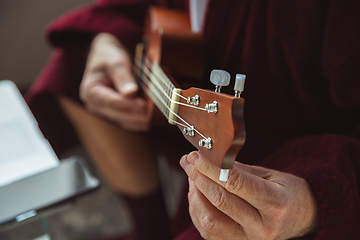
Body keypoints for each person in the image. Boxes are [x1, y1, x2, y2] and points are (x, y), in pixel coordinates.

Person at [26, 0, 360, 239]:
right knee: (72, 60)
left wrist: (316, 200)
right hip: (185, 88)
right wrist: (108, 39)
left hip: (287, 164)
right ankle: (148, 228)